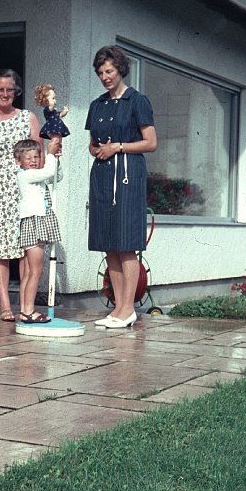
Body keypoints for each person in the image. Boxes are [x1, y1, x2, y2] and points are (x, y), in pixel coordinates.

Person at [86, 45, 157, 329]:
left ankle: (129, 309)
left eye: (109, 71)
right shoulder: (97, 105)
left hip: (128, 177)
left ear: (121, 70)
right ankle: (117, 308)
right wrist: (98, 150)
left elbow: (151, 143)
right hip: (103, 177)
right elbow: (92, 145)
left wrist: (118, 147)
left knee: (126, 244)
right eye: (100, 73)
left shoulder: (137, 101)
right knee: (109, 245)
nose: (105, 77)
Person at [0, 69, 43, 321]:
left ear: (16, 91)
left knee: (25, 247)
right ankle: (4, 304)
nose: (5, 94)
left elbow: (40, 154)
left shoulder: (27, 117)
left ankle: (25, 303)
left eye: (9, 89)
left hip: (25, 189)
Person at [14, 137, 63, 323]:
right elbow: (48, 171)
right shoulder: (25, 176)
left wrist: (56, 159)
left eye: (36, 157)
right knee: (36, 271)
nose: (33, 161)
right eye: (28, 158)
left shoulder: (36, 175)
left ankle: (25, 310)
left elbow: (55, 176)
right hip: (33, 223)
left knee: (29, 272)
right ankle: (28, 311)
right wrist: (50, 154)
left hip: (37, 222)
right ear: (19, 161)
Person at [34, 84, 70, 154]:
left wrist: (65, 111)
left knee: (59, 140)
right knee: (55, 140)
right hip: (52, 128)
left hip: (58, 128)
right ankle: (53, 150)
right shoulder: (47, 109)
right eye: (53, 98)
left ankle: (58, 150)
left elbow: (60, 115)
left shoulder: (54, 111)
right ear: (46, 100)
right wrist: (51, 103)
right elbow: (51, 106)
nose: (55, 101)